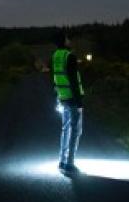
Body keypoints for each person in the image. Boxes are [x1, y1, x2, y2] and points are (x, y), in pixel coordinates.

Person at [50, 30, 84, 176]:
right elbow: (74, 81)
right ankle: (70, 163)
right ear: (64, 41)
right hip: (72, 98)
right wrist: (79, 101)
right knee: (75, 130)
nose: (69, 41)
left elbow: (55, 78)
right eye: (68, 39)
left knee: (65, 129)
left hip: (62, 97)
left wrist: (57, 97)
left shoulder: (55, 56)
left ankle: (62, 161)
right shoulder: (69, 56)